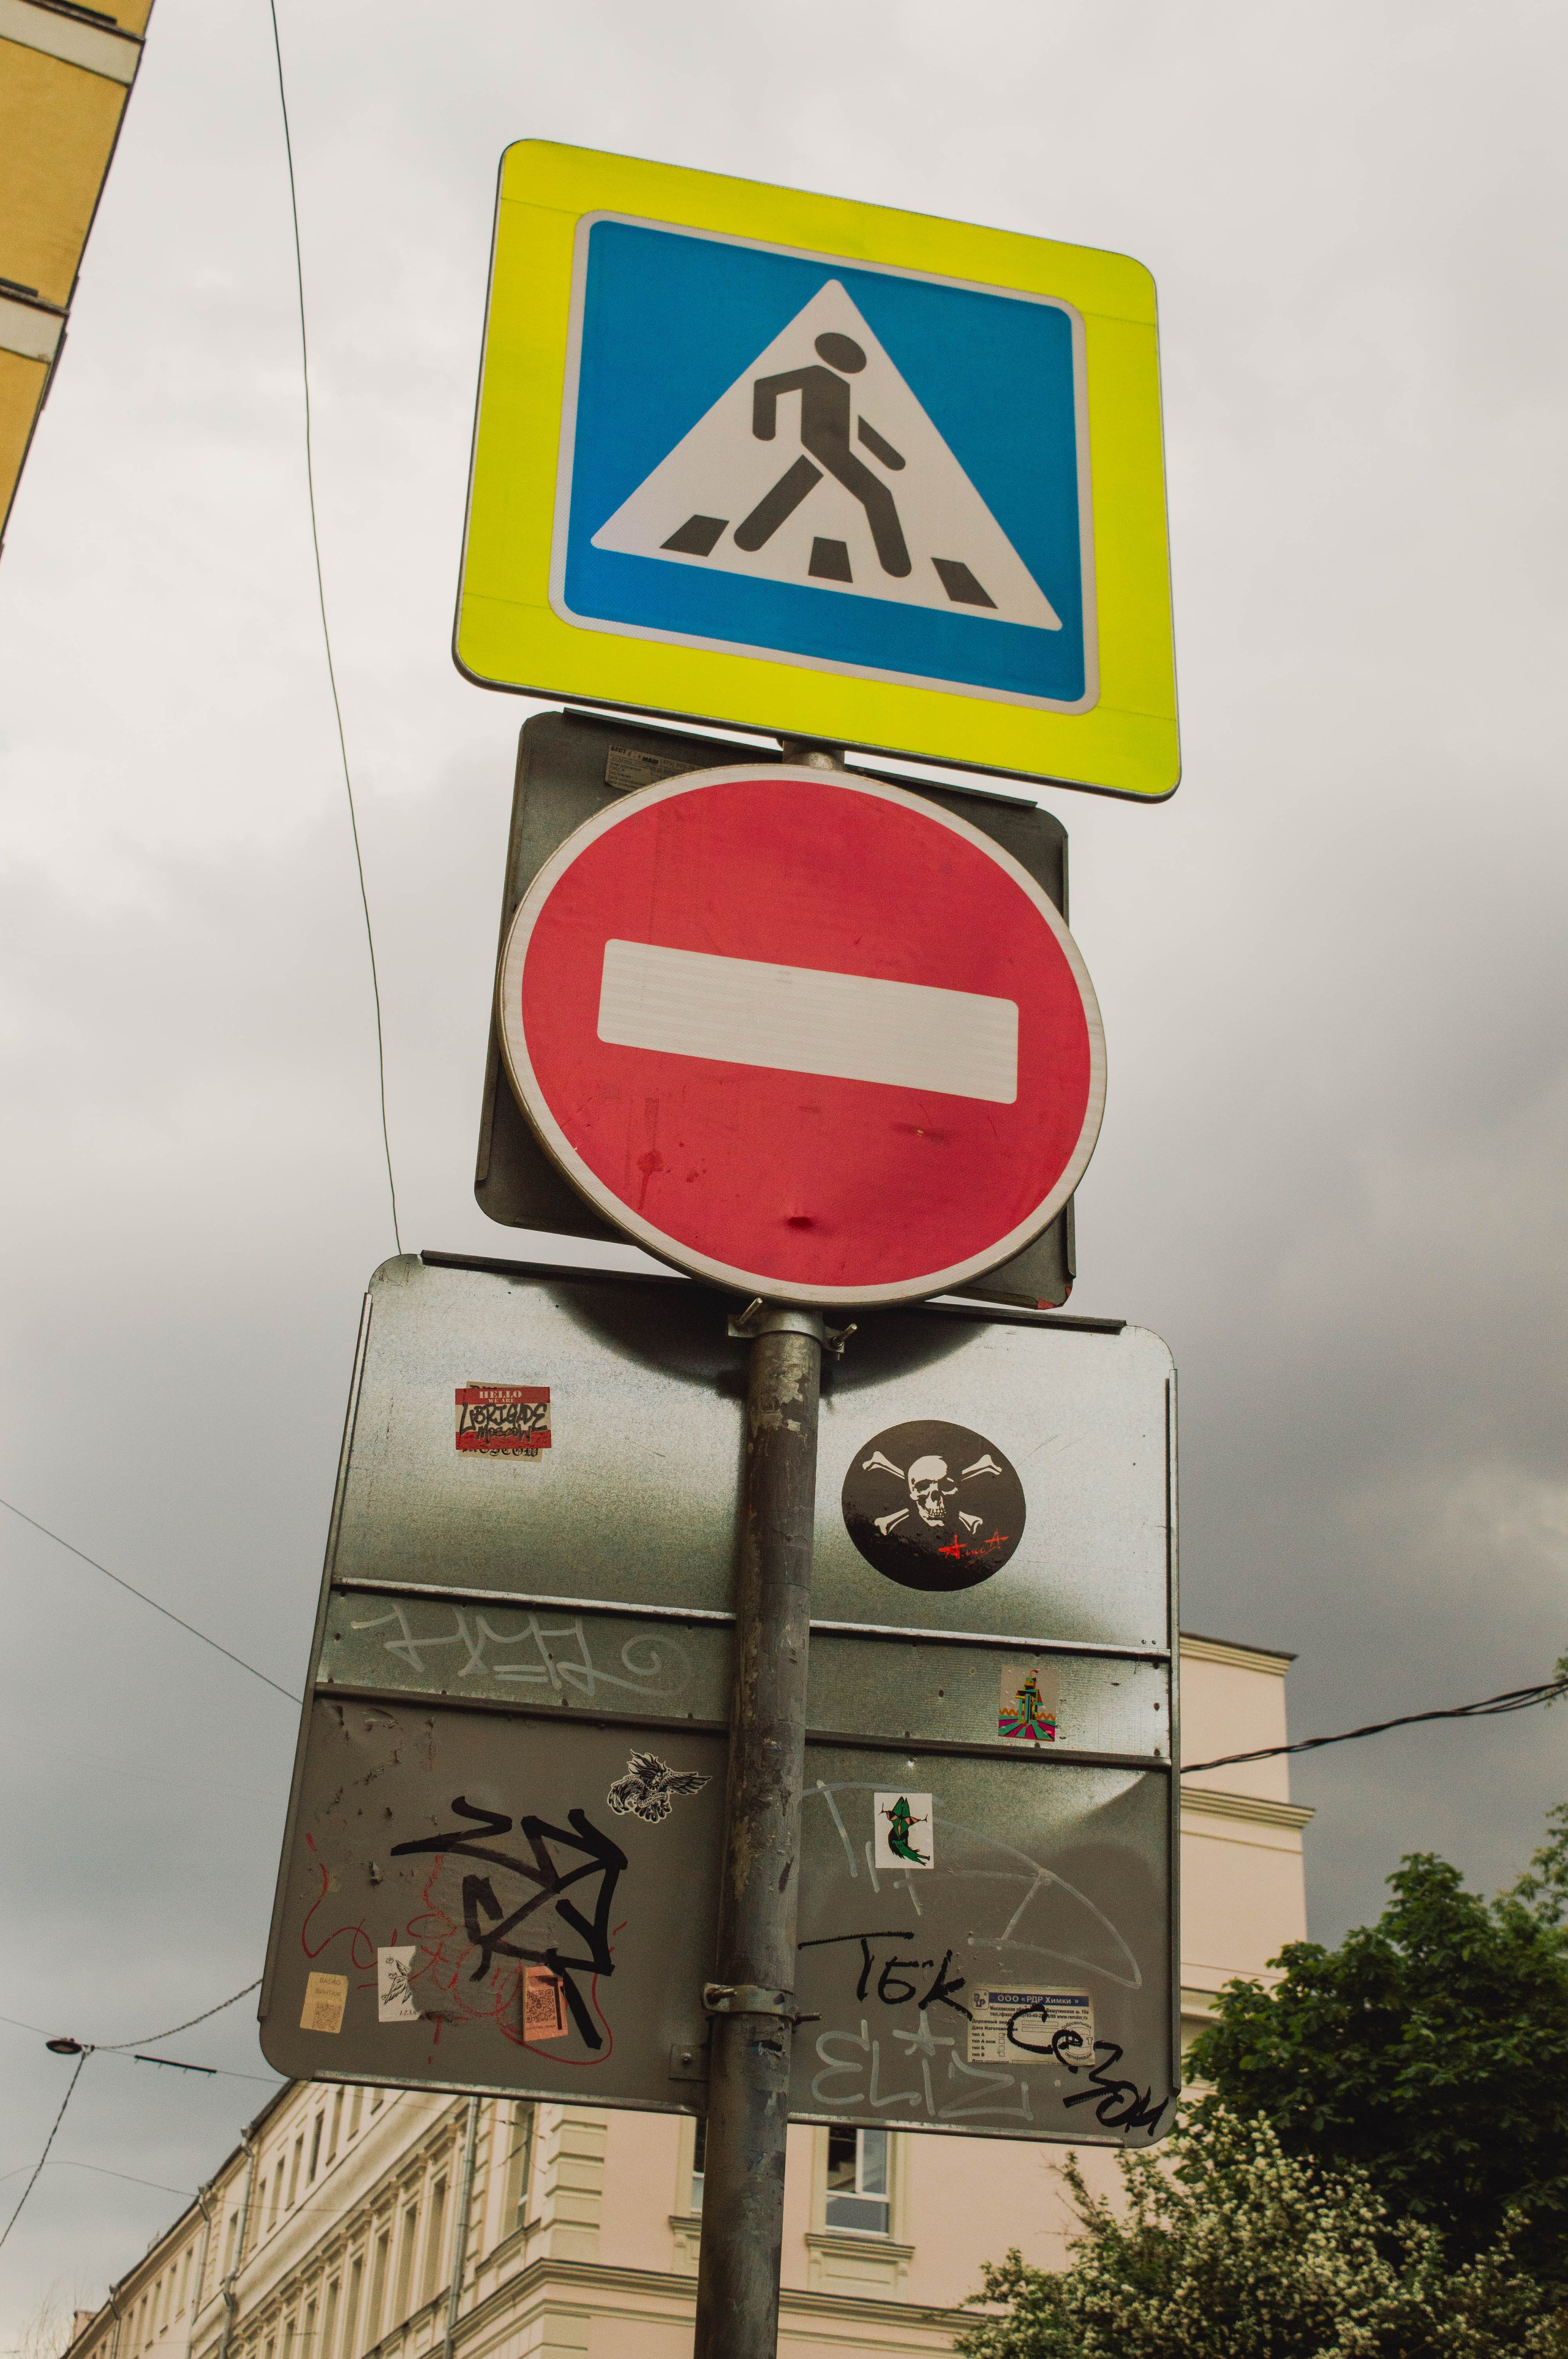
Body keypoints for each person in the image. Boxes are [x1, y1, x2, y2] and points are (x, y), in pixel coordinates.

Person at [735, 332, 911, 576]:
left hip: (832, 448)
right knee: (878, 495)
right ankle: (898, 567)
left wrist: (890, 457)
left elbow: (854, 425)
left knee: (792, 488)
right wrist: (765, 429)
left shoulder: (842, 386)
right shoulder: (815, 374)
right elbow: (766, 387)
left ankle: (747, 538)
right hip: (823, 447)